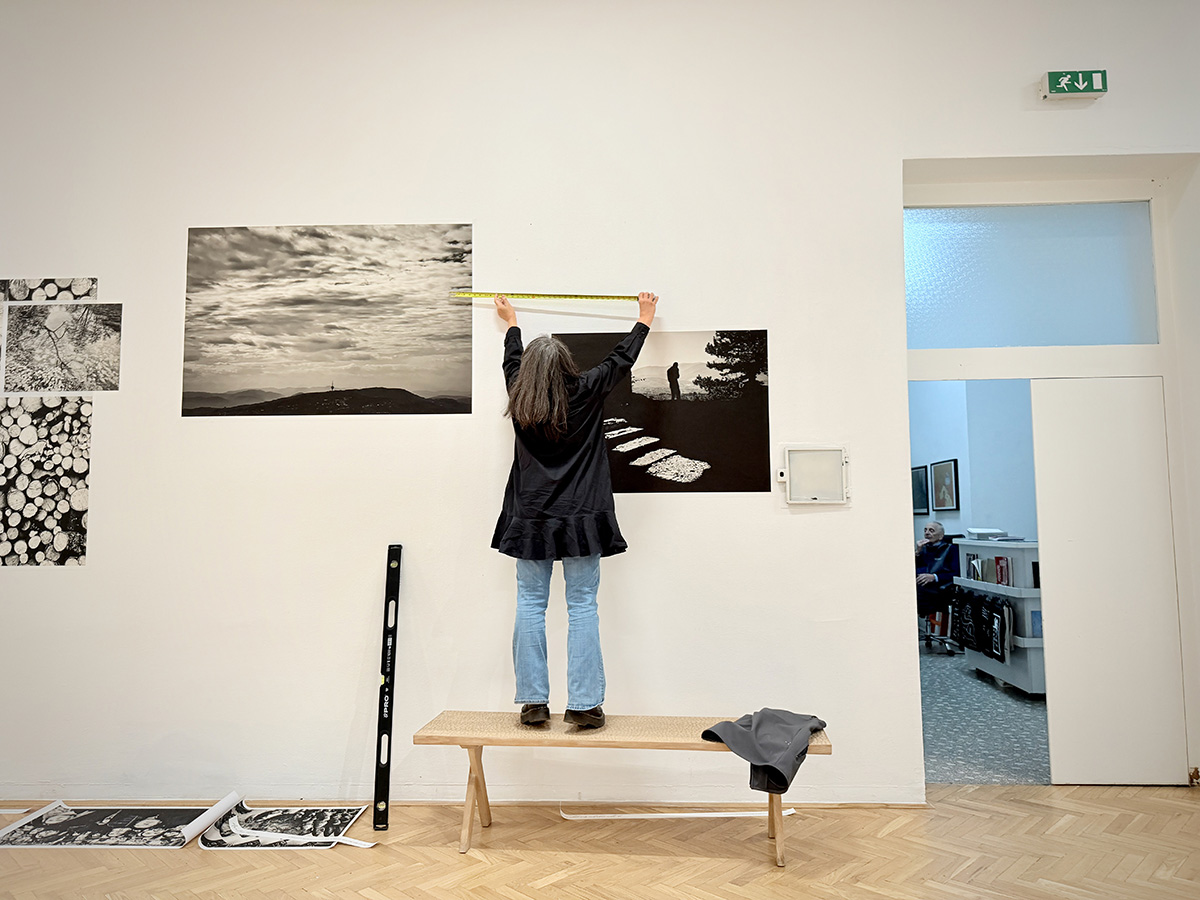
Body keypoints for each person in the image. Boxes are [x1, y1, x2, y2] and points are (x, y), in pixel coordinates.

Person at [492, 291, 659, 728]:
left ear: (528, 372)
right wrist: (644, 318)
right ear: (567, 365)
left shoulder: (519, 392)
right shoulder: (587, 389)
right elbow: (621, 360)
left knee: (530, 602)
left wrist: (512, 324)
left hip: (531, 517)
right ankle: (584, 705)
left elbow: (511, 360)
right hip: (583, 514)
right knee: (582, 604)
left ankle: (533, 703)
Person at [915, 520, 959, 618]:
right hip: (921, 585)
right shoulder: (923, 548)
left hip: (938, 586)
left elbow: (956, 573)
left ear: (941, 536)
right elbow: (913, 568)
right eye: (925, 530)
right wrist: (918, 552)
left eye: (931, 531)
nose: (927, 533)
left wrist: (934, 577)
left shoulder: (951, 549)